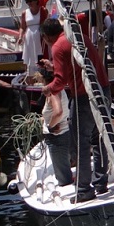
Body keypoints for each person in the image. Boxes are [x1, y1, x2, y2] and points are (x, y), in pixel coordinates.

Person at [40, 18, 111, 203]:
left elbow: (60, 81)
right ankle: (101, 182)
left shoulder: (57, 46)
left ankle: (83, 190)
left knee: (80, 144)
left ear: (47, 36)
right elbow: (75, 64)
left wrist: (48, 89)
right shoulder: (81, 37)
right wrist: (54, 67)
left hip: (83, 97)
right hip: (103, 90)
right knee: (99, 137)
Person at [38, 58, 72, 187]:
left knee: (63, 178)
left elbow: (58, 112)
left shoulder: (53, 92)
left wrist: (50, 127)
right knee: (64, 170)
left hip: (57, 137)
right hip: (64, 133)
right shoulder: (59, 88)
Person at [19, 0, 48, 70]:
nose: (29, 3)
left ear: (36, 1)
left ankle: (42, 72)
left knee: (41, 54)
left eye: (31, 1)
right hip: (29, 37)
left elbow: (47, 23)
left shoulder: (43, 10)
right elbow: (22, 27)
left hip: (41, 36)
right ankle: (31, 74)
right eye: (27, 2)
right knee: (30, 56)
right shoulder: (25, 13)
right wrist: (20, 37)